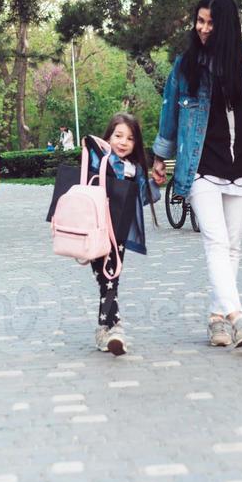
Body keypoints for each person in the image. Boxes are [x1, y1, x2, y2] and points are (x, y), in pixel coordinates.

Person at [151, 0, 242, 349]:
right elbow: (170, 116)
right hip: (201, 164)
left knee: (232, 247)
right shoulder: (186, 65)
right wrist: (158, 157)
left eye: (210, 22)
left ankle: (216, 317)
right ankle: (238, 316)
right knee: (215, 241)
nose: (202, 28)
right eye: (199, 20)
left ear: (226, 24)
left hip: (241, 165)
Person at [88, 114, 159, 356]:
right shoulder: (99, 162)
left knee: (110, 280)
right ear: (107, 136)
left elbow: (140, 199)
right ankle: (115, 326)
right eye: (118, 136)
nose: (123, 142)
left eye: (130, 138)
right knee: (107, 279)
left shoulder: (135, 168)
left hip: (118, 234)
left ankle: (104, 330)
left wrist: (154, 184)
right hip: (96, 232)